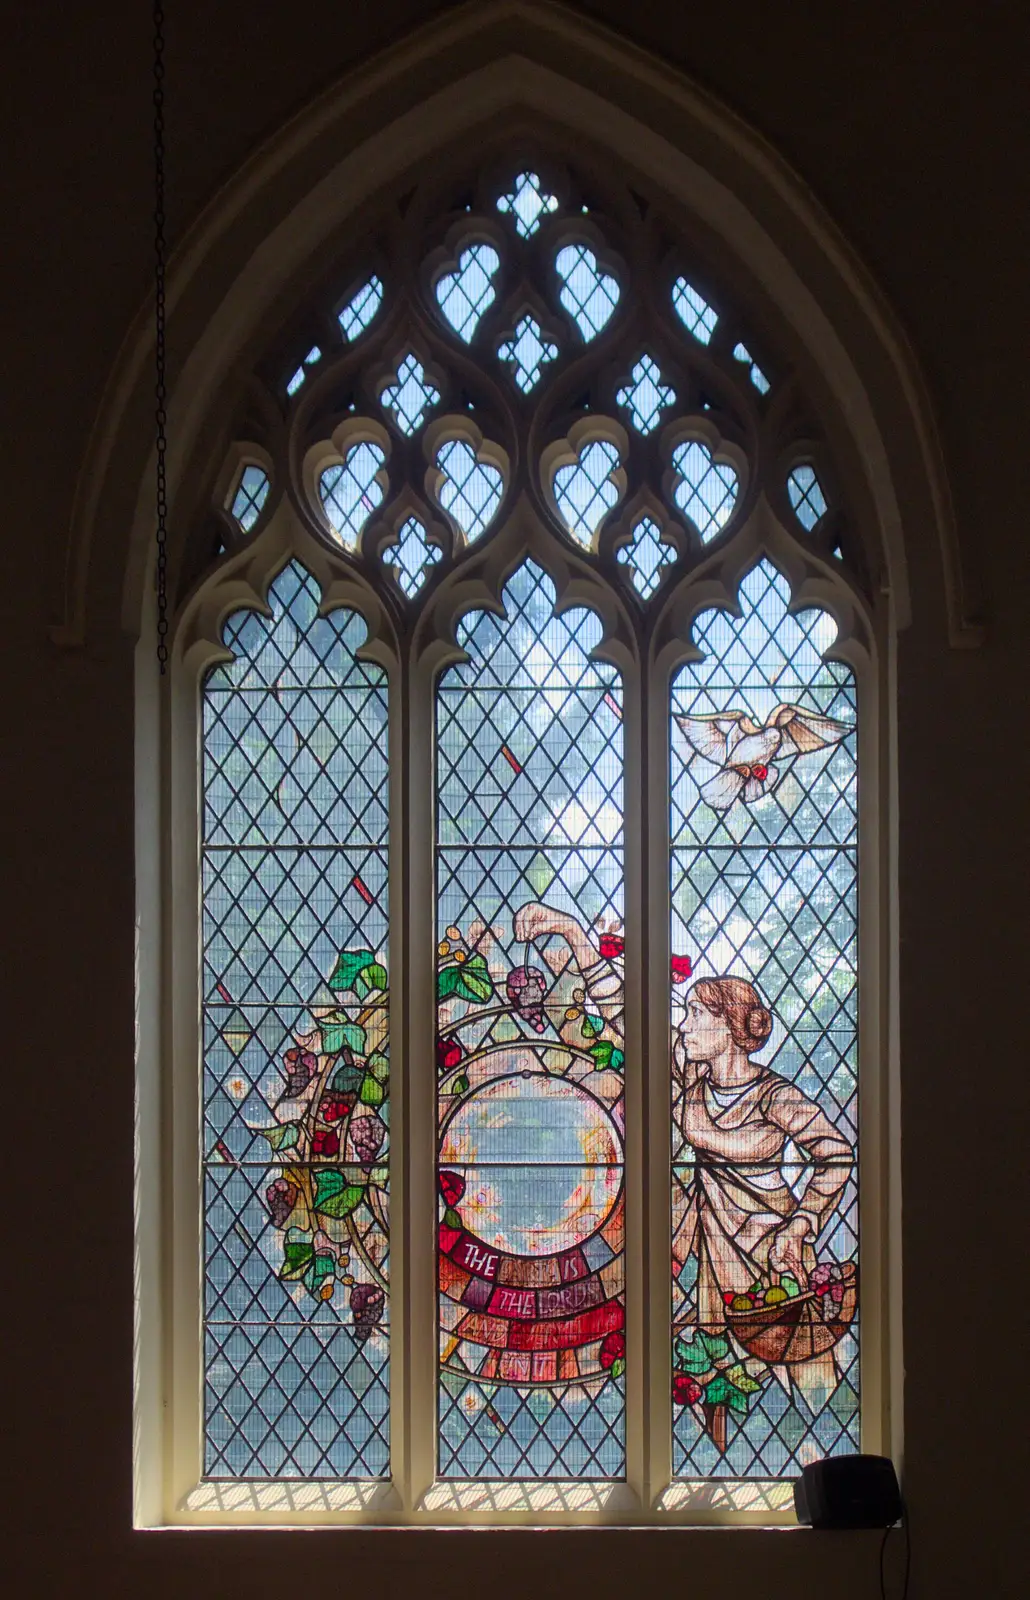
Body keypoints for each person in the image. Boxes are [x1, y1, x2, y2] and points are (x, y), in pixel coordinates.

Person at [513, 904, 853, 1391]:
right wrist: (570, 931)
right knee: (716, 1360)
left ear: (730, 1029)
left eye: (697, 1015)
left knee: (797, 1360)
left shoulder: (775, 1096)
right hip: (706, 1235)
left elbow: (836, 1154)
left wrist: (801, 1223)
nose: (686, 1025)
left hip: (768, 1241)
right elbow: (620, 1009)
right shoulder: (691, 1074)